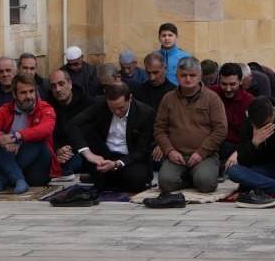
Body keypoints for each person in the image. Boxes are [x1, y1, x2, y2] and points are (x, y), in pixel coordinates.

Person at [154, 57, 227, 194]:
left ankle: (199, 176)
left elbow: (221, 130)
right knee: (165, 183)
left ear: (200, 76)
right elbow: (159, 129)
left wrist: (202, 152)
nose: (188, 79)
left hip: (205, 155)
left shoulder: (212, 98)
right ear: (177, 76)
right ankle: (191, 179)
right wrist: (169, 151)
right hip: (176, 155)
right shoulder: (168, 98)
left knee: (206, 184)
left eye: (192, 75)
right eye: (183, 75)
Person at [67, 82, 156, 193]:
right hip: (104, 155)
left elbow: (142, 150)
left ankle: (108, 178)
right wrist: (88, 154)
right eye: (112, 108)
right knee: (87, 131)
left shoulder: (145, 113)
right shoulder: (100, 104)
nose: (117, 112)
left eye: (121, 108)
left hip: (130, 158)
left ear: (130, 98)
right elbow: (73, 124)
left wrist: (116, 164)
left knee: (136, 180)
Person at [0, 73, 57, 193]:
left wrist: (18, 137)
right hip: (11, 160)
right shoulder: (6, 109)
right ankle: (18, 179)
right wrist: (1, 139)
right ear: (14, 94)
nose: (29, 96)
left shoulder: (45, 108)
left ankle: (4, 180)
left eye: (31, 91)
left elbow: (46, 128)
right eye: (23, 93)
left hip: (36, 170)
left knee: (38, 140)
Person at [48, 68, 94, 176]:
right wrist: (58, 149)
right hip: (58, 152)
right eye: (53, 86)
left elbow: (91, 134)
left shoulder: (88, 104)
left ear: (70, 84)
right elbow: (49, 134)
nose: (58, 89)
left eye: (61, 84)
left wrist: (70, 149)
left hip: (83, 150)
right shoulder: (48, 106)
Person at [212, 62, 255, 165]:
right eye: (224, 84)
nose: (228, 89)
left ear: (240, 81)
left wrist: (238, 152)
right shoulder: (211, 94)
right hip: (212, 143)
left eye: (232, 84)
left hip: (236, 148)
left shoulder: (249, 101)